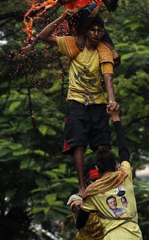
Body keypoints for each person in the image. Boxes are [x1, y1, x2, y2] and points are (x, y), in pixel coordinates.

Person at [38, 13, 118, 196]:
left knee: (104, 145)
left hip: (97, 102)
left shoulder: (104, 51)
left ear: (103, 32)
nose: (96, 34)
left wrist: (111, 100)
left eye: (100, 31)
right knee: (78, 144)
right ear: (86, 31)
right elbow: (42, 36)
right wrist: (62, 17)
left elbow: (108, 77)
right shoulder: (75, 45)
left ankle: (107, 181)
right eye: (93, 30)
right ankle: (82, 186)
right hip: (76, 101)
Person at [76, 105, 142, 239]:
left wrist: (77, 204)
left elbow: (80, 223)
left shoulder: (92, 192)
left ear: (97, 169)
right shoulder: (125, 175)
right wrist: (116, 118)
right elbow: (124, 150)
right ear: (116, 165)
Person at [66, 165, 104, 239]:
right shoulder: (77, 198)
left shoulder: (106, 197)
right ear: (86, 182)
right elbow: (77, 207)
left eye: (97, 180)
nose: (95, 184)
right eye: (92, 181)